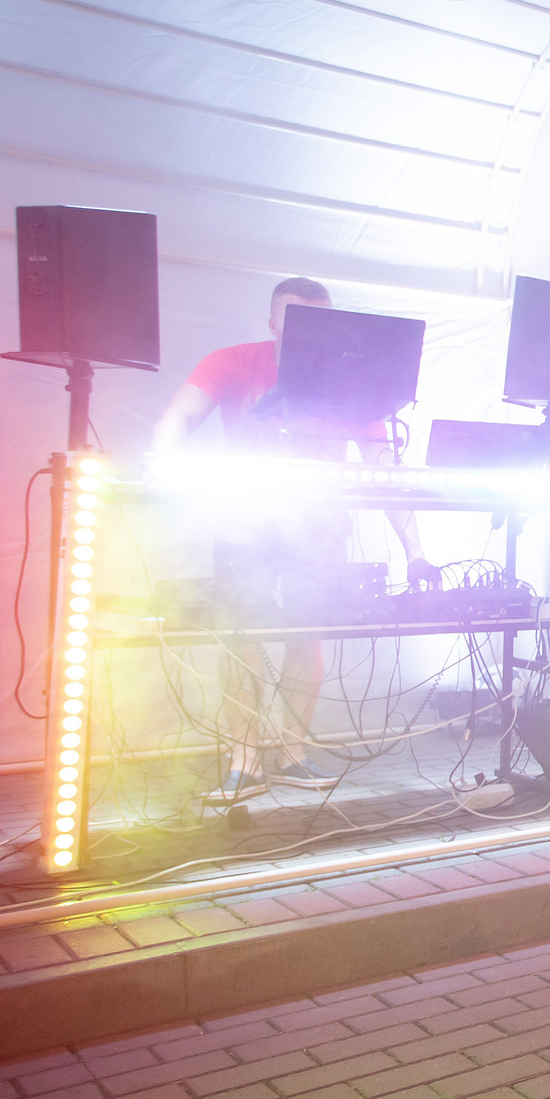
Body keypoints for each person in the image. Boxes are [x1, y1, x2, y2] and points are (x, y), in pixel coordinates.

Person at [150, 276, 431, 803]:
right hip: (246, 520)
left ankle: (292, 753)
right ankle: (246, 759)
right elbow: (178, 417)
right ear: (273, 322)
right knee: (241, 634)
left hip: (319, 525)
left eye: (318, 323)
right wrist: (164, 465)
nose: (307, 335)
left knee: (308, 631)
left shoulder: (351, 378)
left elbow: (383, 466)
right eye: (295, 321)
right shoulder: (233, 361)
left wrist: (416, 549)